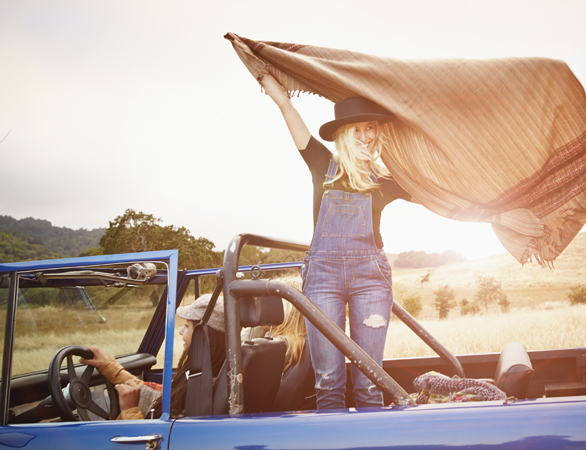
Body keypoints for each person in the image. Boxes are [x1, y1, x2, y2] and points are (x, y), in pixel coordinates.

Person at [228, 34, 413, 410]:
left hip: (370, 280)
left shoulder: (387, 182)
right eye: (357, 128)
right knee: (328, 381)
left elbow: (438, 191)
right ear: (343, 134)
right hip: (323, 278)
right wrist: (263, 72)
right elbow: (287, 109)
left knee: (370, 381)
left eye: (371, 128)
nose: (365, 135)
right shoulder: (321, 165)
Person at [81, 293, 226, 419]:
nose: (181, 332)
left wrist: (129, 410)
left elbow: (157, 441)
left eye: (187, 326)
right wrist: (108, 367)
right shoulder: (206, 378)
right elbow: (163, 394)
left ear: (204, 337)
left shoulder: (203, 392)